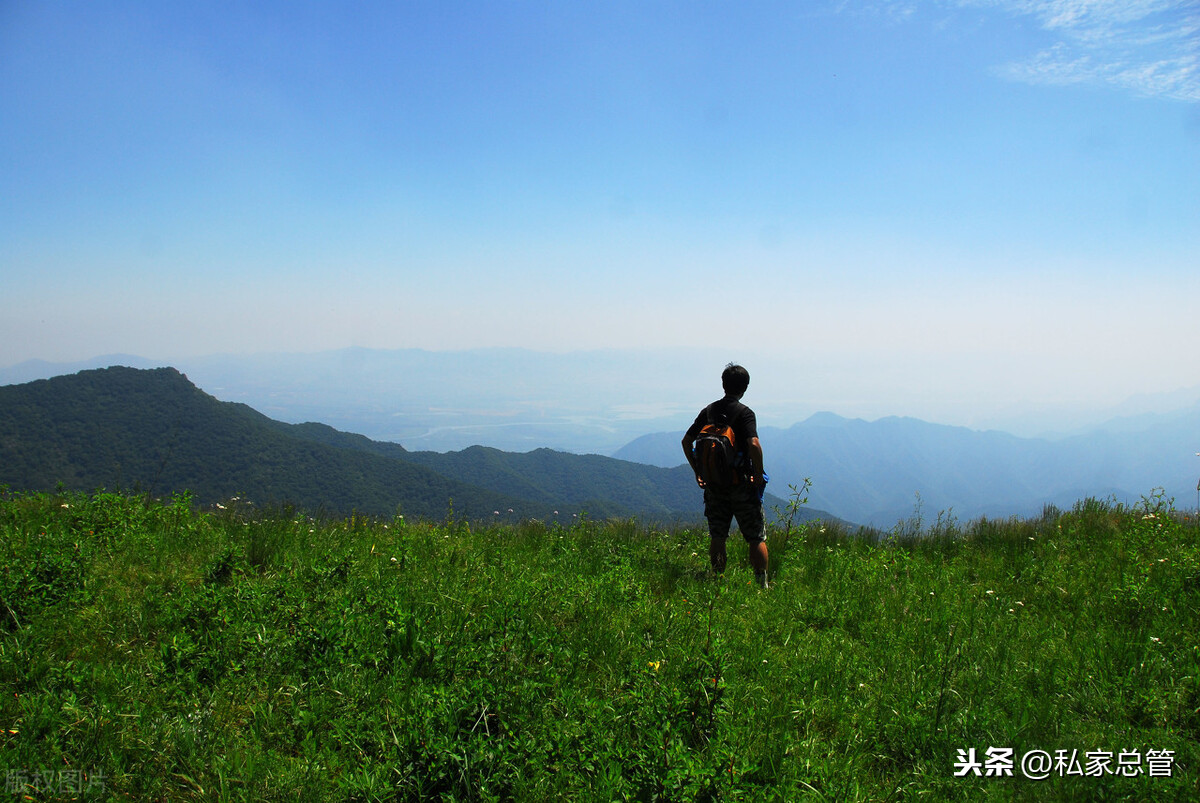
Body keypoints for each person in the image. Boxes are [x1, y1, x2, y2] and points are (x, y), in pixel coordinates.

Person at [681, 363, 769, 588]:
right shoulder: (745, 413)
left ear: (723, 384)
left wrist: (698, 471)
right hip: (741, 485)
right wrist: (758, 475)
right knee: (755, 536)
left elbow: (686, 441)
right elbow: (754, 444)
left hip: (714, 484)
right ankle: (762, 585)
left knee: (718, 536)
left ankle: (717, 581)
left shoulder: (709, 411)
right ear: (745, 387)